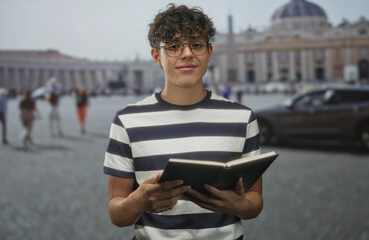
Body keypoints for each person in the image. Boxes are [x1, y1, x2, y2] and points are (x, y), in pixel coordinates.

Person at [103, 4, 262, 240]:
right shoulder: (127, 120)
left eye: (196, 45)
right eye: (174, 47)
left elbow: (255, 201)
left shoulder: (243, 117)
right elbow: (117, 215)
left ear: (209, 52)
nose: (187, 54)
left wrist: (239, 205)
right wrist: (139, 201)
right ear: (157, 56)